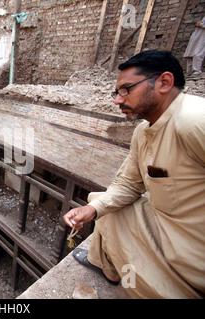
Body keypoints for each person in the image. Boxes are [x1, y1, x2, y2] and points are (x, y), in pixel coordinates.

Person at [63, 50, 205, 298]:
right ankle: (109, 268)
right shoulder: (143, 131)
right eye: (117, 92)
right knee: (101, 204)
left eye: (126, 89)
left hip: (193, 243)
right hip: (166, 222)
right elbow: (129, 184)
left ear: (164, 82)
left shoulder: (193, 119)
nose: (118, 100)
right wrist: (92, 211)